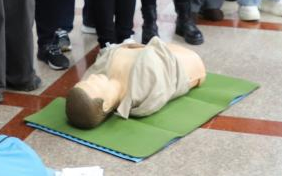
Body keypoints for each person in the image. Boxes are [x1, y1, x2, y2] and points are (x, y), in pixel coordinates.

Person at [65, 37, 207, 129]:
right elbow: (164, 75)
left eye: (86, 81)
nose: (91, 78)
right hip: (191, 65)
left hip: (166, 50)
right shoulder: (140, 93)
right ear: (105, 104)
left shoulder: (102, 70)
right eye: (92, 85)